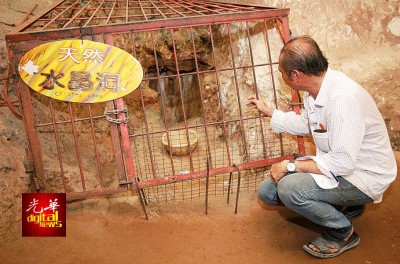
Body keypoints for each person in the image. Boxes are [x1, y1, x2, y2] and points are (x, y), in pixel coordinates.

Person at [246, 35, 397, 258]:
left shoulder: (342, 100)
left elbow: (344, 163)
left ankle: (342, 231)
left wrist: (291, 166)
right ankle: (345, 206)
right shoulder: (319, 89)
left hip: (363, 175)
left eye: (281, 71)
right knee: (268, 192)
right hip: (340, 168)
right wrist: (269, 111)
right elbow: (306, 123)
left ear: (295, 75)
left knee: (289, 189)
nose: (281, 75)